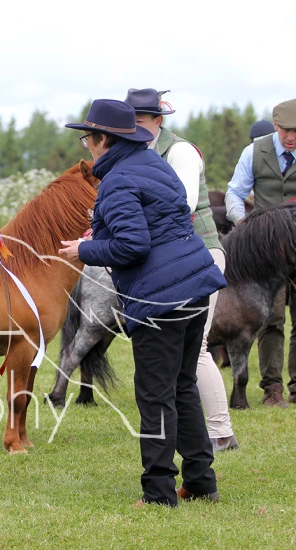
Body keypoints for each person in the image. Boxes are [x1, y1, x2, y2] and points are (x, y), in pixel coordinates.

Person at [58, 99, 227, 507]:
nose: (86, 146)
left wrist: (85, 249)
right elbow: (160, 223)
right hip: (196, 285)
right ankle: (200, 481)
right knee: (182, 385)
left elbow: (133, 245)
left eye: (88, 138)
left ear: (104, 139)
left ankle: (158, 492)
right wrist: (101, 231)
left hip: (162, 299)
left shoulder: (116, 180)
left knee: (155, 395)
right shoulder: (154, 164)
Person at [124, 88, 237, 452]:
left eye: (141, 121)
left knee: (197, 347)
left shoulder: (181, 151)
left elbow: (181, 206)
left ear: (159, 121)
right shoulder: (137, 153)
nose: (134, 129)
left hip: (201, 255)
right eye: (129, 122)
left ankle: (221, 432)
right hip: (165, 261)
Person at [225, 99, 296, 406]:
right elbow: (235, 193)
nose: (291, 137)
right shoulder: (254, 151)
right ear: (275, 126)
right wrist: (243, 225)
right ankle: (272, 388)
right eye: (285, 130)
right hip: (266, 253)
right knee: (271, 319)